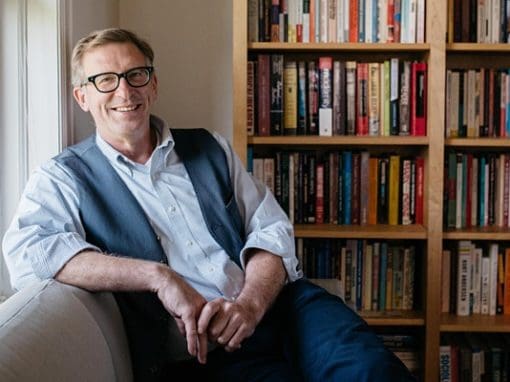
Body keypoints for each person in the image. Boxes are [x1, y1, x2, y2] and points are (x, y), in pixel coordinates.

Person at [2, 28, 415, 381]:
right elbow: (28, 253)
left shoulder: (208, 146)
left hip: (283, 308)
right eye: (105, 80)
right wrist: (158, 276)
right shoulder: (63, 177)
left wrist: (251, 303)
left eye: (135, 75)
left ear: (154, 83)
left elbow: (269, 227)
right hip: (204, 353)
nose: (125, 91)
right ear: (82, 97)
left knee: (372, 370)